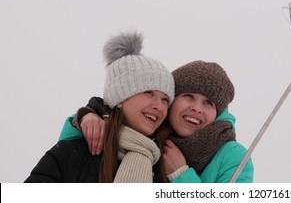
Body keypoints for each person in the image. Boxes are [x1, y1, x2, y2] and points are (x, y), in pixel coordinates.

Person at [60, 61, 254, 183]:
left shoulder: (233, 156)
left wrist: (181, 175)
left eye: (208, 103)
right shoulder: (149, 136)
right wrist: (86, 117)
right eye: (188, 96)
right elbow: (69, 152)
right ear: (171, 100)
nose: (197, 108)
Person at [25, 30, 175, 182]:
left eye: (164, 99)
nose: (158, 106)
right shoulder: (73, 153)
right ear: (120, 99)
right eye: (148, 93)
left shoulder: (165, 167)